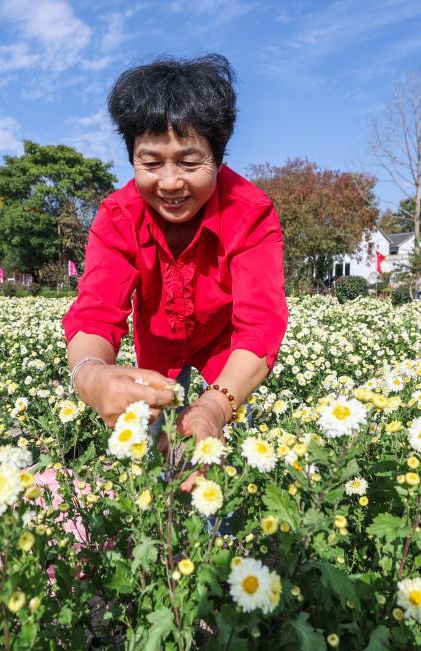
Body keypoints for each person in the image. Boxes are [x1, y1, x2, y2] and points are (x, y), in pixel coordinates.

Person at [62, 54, 288, 446]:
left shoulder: (251, 212)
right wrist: (92, 376)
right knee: (157, 444)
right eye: (151, 163)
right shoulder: (118, 215)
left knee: (233, 444)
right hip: (157, 347)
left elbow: (259, 325)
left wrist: (215, 406)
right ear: (132, 158)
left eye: (189, 162)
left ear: (218, 158)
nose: (169, 182)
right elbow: (95, 314)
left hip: (228, 351)